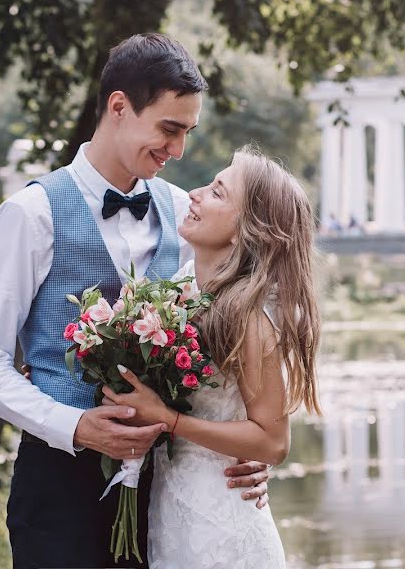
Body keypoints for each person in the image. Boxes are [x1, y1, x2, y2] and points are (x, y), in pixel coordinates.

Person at [0, 34, 269, 569]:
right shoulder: (30, 214)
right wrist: (75, 426)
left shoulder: (184, 211)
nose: (178, 151)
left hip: (167, 492)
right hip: (58, 488)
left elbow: (225, 344)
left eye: (187, 133)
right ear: (119, 106)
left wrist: (239, 451)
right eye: (169, 130)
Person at [102, 146, 322, 568]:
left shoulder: (248, 317)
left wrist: (168, 419)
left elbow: (273, 442)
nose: (195, 194)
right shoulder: (183, 290)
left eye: (218, 193)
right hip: (172, 508)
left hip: (220, 524)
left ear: (246, 230)